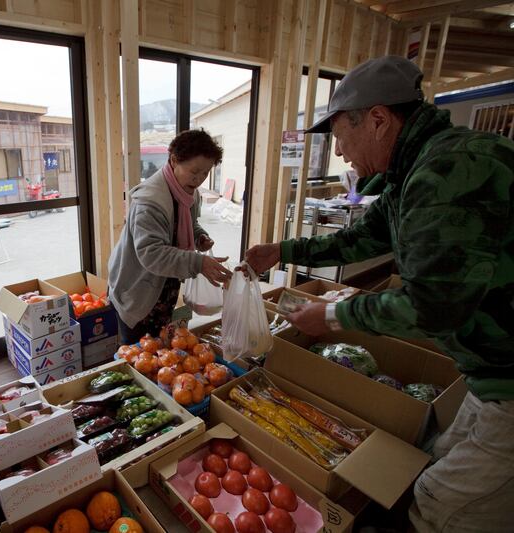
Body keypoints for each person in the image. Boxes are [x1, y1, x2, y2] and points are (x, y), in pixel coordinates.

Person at [244, 56, 514, 532]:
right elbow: (358, 239)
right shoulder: (413, 172)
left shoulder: (448, 172)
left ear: (378, 119)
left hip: (508, 375)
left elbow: (431, 307)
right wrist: (281, 250)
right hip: (488, 371)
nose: (341, 152)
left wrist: (332, 316)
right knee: (437, 459)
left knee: (440, 506)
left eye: (341, 136)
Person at [108, 129, 232, 345]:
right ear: (174, 160)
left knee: (159, 349)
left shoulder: (188, 192)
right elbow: (152, 254)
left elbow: (187, 223)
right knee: (137, 354)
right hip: (136, 289)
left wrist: (199, 236)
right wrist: (198, 262)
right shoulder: (150, 202)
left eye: (205, 173)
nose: (199, 179)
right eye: (194, 171)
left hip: (162, 286)